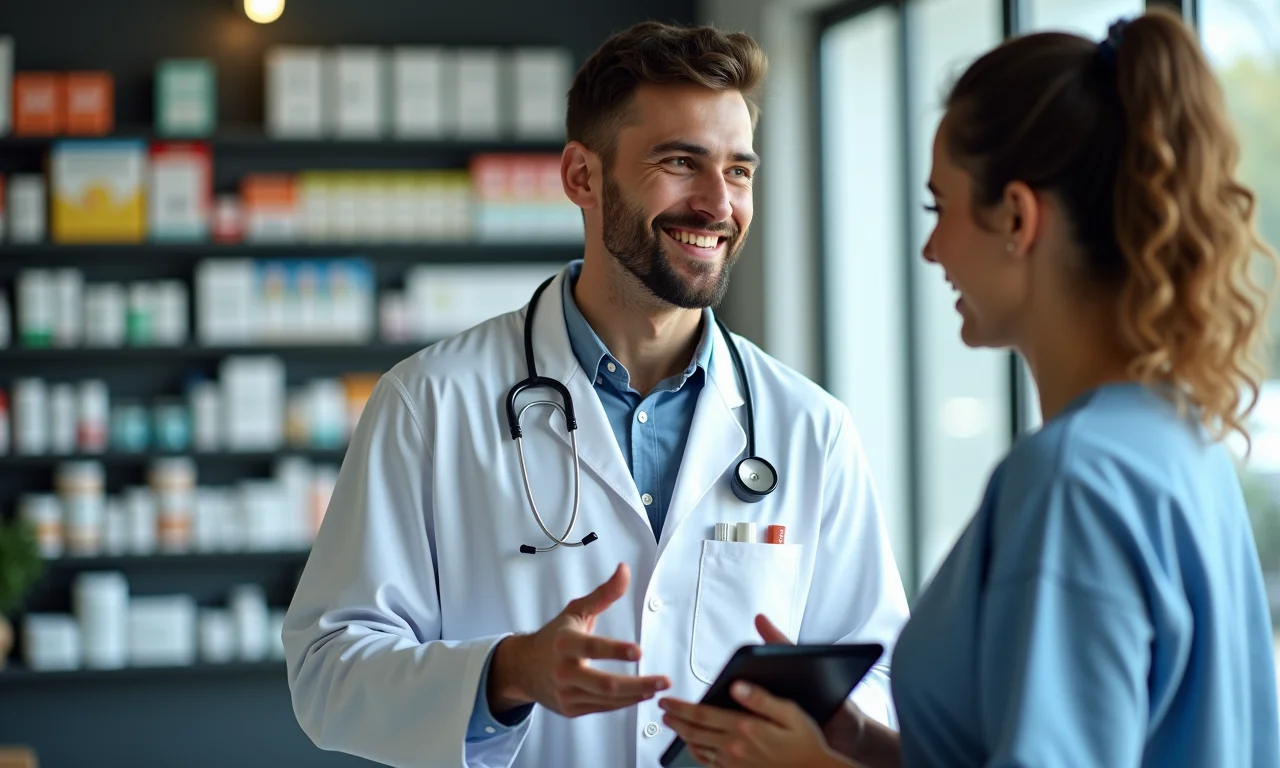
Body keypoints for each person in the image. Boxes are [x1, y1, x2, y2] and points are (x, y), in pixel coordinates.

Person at [659, 9, 1280, 768]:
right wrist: (863, 744)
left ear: (1016, 217)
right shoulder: (1180, 440)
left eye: (940, 207)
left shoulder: (1073, 479)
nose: (931, 247)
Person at [281, 20, 910, 768]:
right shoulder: (429, 404)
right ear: (582, 176)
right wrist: (508, 673)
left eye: (739, 171)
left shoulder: (809, 427)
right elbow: (327, 672)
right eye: (681, 162)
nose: (718, 204)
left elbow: (878, 672)